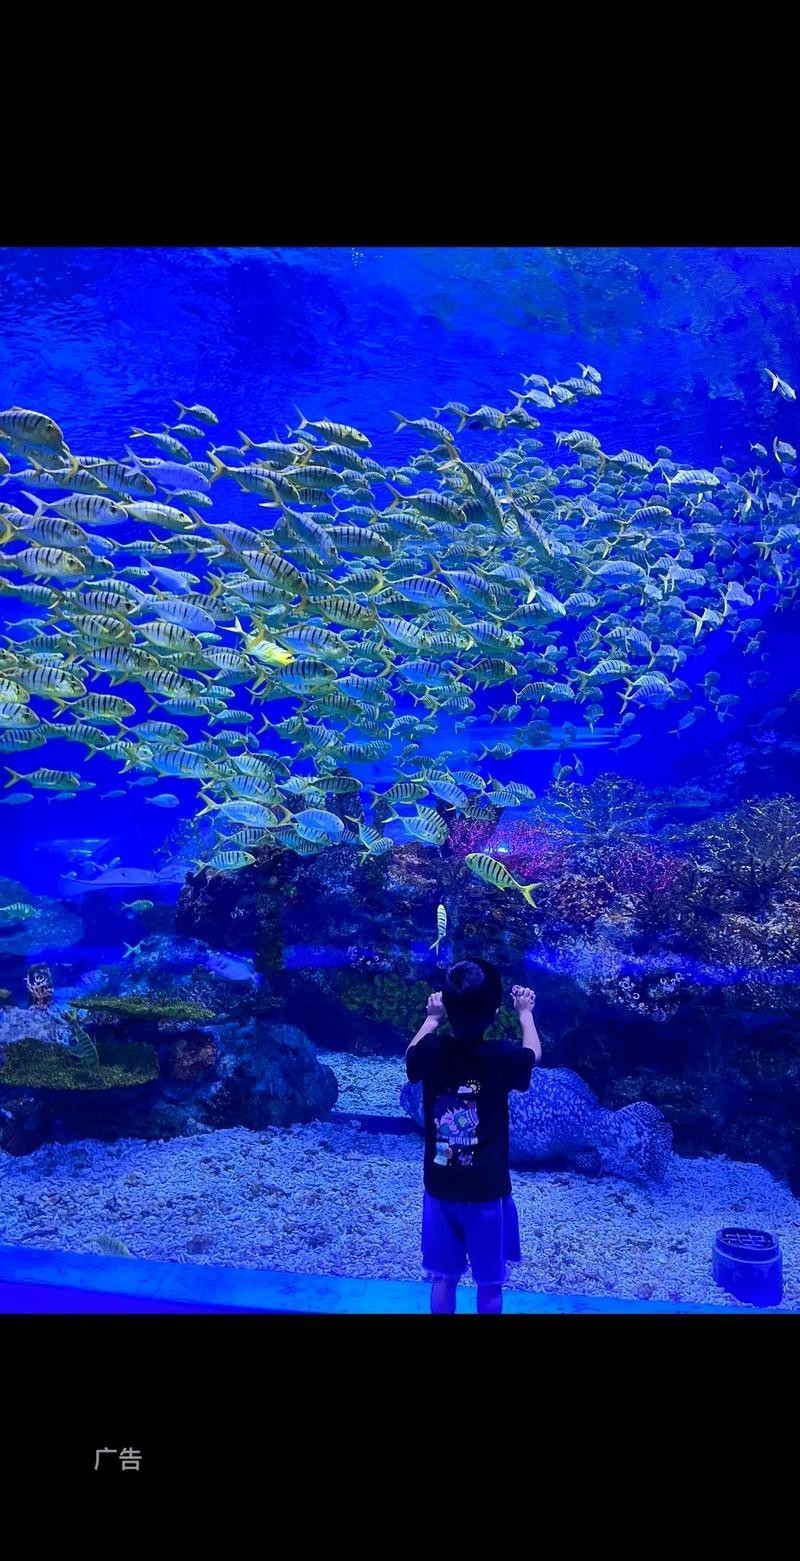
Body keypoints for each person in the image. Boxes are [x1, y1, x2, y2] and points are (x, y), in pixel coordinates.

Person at [405, 959, 542, 1315]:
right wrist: (525, 1014)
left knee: (443, 1278)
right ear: (495, 1013)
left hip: (440, 1190)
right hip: (485, 1194)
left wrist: (431, 1020)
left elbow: (411, 1055)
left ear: (448, 1009)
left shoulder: (433, 1051)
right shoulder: (500, 1057)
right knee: (490, 1281)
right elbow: (533, 1056)